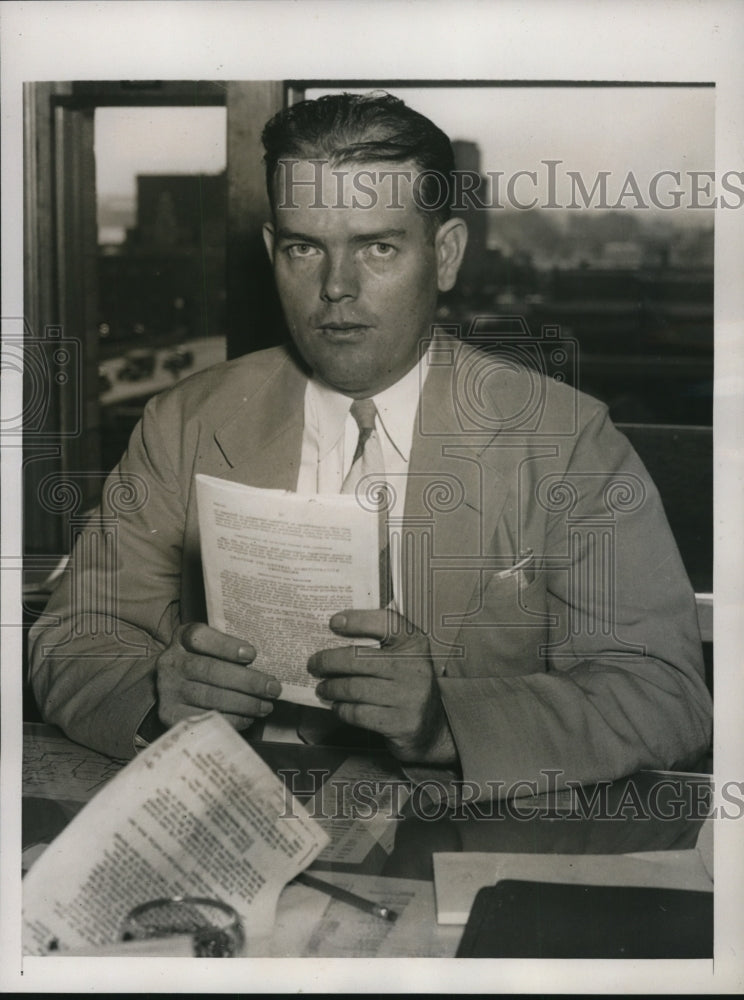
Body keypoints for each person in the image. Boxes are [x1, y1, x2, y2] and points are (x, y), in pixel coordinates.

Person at [29, 92, 711, 798]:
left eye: (378, 247)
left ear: (444, 255)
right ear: (272, 251)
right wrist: (153, 695)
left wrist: (448, 723)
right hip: (229, 808)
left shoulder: (564, 441)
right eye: (304, 248)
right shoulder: (186, 421)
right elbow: (72, 636)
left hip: (456, 839)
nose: (336, 288)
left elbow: (662, 691)